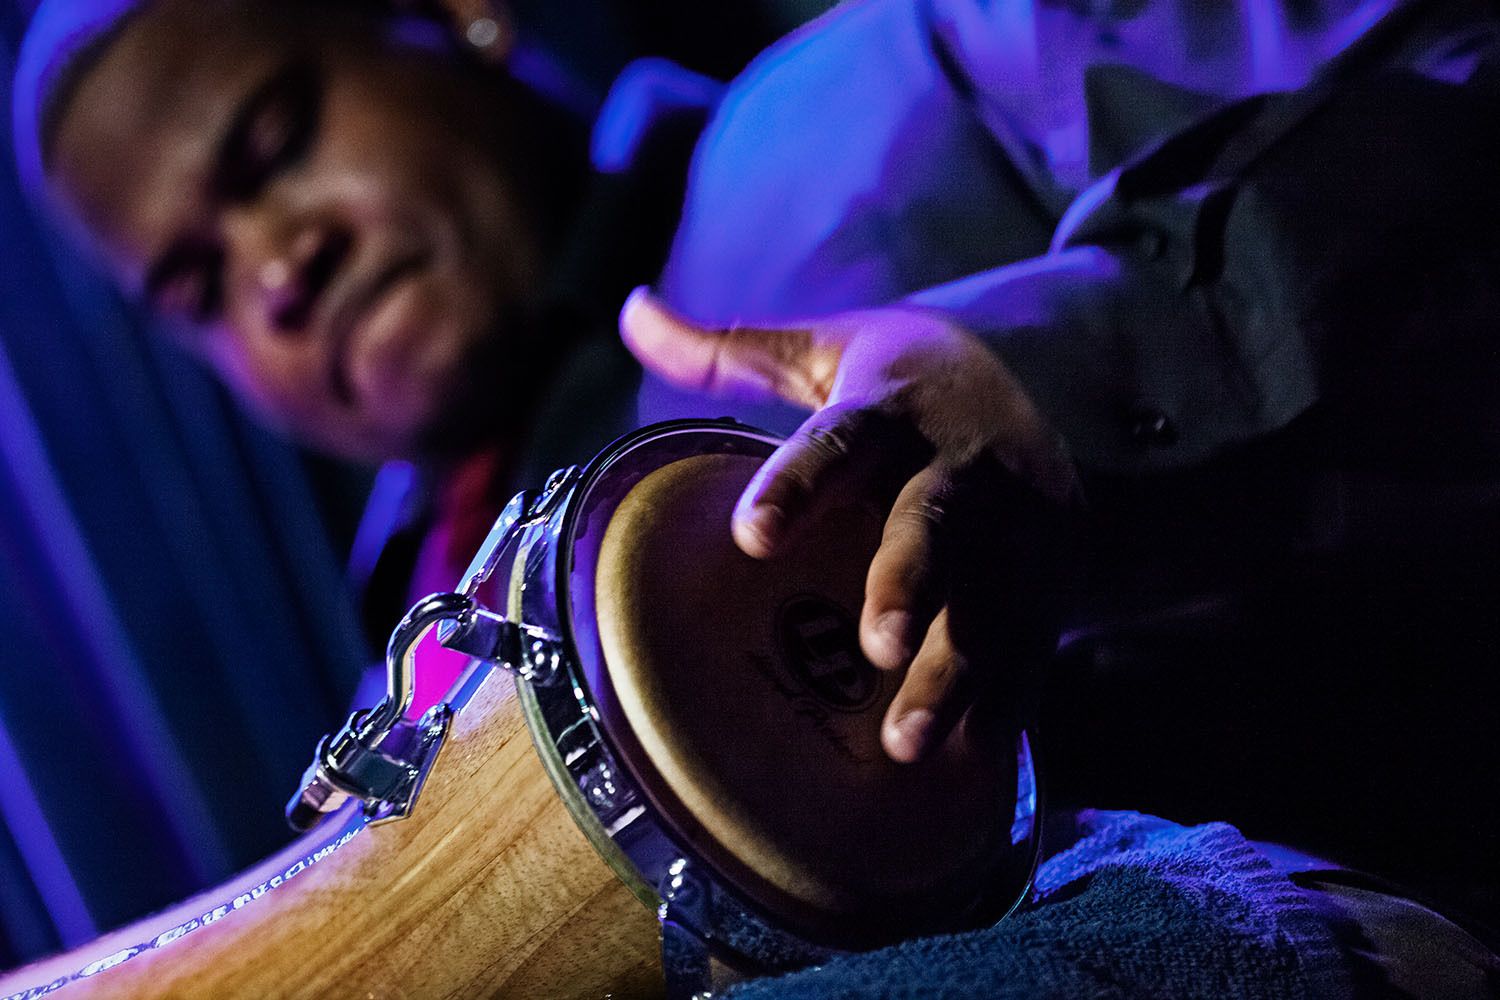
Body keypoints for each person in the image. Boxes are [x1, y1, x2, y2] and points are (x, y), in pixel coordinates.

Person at [12, 0, 1500, 994]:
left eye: (276, 148)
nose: (276, 268)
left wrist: (1069, 371)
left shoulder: (895, 77)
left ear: (456, 17)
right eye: (197, 285)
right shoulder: (404, 670)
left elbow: (1460, 100)